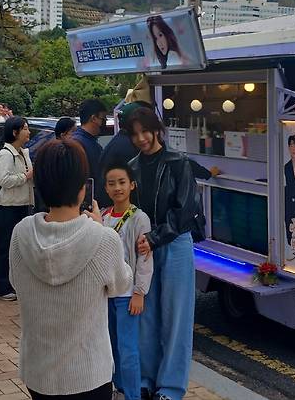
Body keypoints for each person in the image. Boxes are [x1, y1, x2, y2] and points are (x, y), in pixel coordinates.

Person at [9, 139, 132, 399]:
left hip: (37, 372)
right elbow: (121, 285)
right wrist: (101, 228)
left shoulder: (21, 233)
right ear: (81, 189)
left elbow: (15, 281)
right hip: (88, 374)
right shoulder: (103, 239)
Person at [127, 107, 197, 400]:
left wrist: (154, 238)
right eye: (134, 134)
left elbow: (185, 211)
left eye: (145, 131)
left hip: (175, 243)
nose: (141, 138)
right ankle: (146, 379)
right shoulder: (131, 166)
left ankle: (170, 388)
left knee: (176, 317)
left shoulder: (179, 162)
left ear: (157, 129)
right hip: (145, 244)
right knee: (146, 315)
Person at [102, 163, 153, 400]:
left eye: (122, 182)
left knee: (128, 349)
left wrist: (139, 292)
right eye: (111, 183)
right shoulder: (101, 216)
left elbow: (144, 258)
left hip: (126, 295)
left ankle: (132, 395)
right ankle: (118, 389)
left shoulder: (139, 218)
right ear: (105, 188)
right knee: (110, 346)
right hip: (104, 295)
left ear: (132, 185)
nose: (117, 188)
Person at [0, 116, 34, 301]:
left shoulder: (24, 152)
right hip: (7, 206)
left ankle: (13, 284)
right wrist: (26, 176)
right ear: (15, 132)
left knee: (17, 247)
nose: (28, 132)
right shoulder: (6, 154)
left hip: (22, 204)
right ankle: (0, 287)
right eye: (25, 128)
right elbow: (5, 180)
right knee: (4, 247)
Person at [72, 99, 107, 202]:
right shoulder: (77, 145)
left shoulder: (88, 142)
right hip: (87, 205)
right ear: (93, 118)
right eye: (103, 118)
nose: (103, 122)